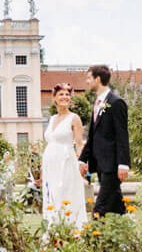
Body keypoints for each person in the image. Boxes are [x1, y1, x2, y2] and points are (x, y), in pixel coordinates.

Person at [78, 64, 132, 216]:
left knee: (99, 208)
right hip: (101, 164)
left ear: (98, 79)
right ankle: (129, 235)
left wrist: (123, 163)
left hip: (112, 165)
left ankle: (94, 238)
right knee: (116, 206)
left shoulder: (116, 103)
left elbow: (122, 135)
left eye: (89, 78)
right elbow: (93, 136)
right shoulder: (97, 104)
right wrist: (83, 159)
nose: (86, 82)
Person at [41, 86, 88, 228]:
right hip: (50, 163)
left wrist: (82, 162)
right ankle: (53, 229)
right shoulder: (52, 119)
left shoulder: (74, 118)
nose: (65, 97)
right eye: (61, 94)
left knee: (66, 194)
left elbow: (79, 144)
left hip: (67, 162)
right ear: (54, 98)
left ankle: (72, 229)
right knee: (52, 195)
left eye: (67, 94)